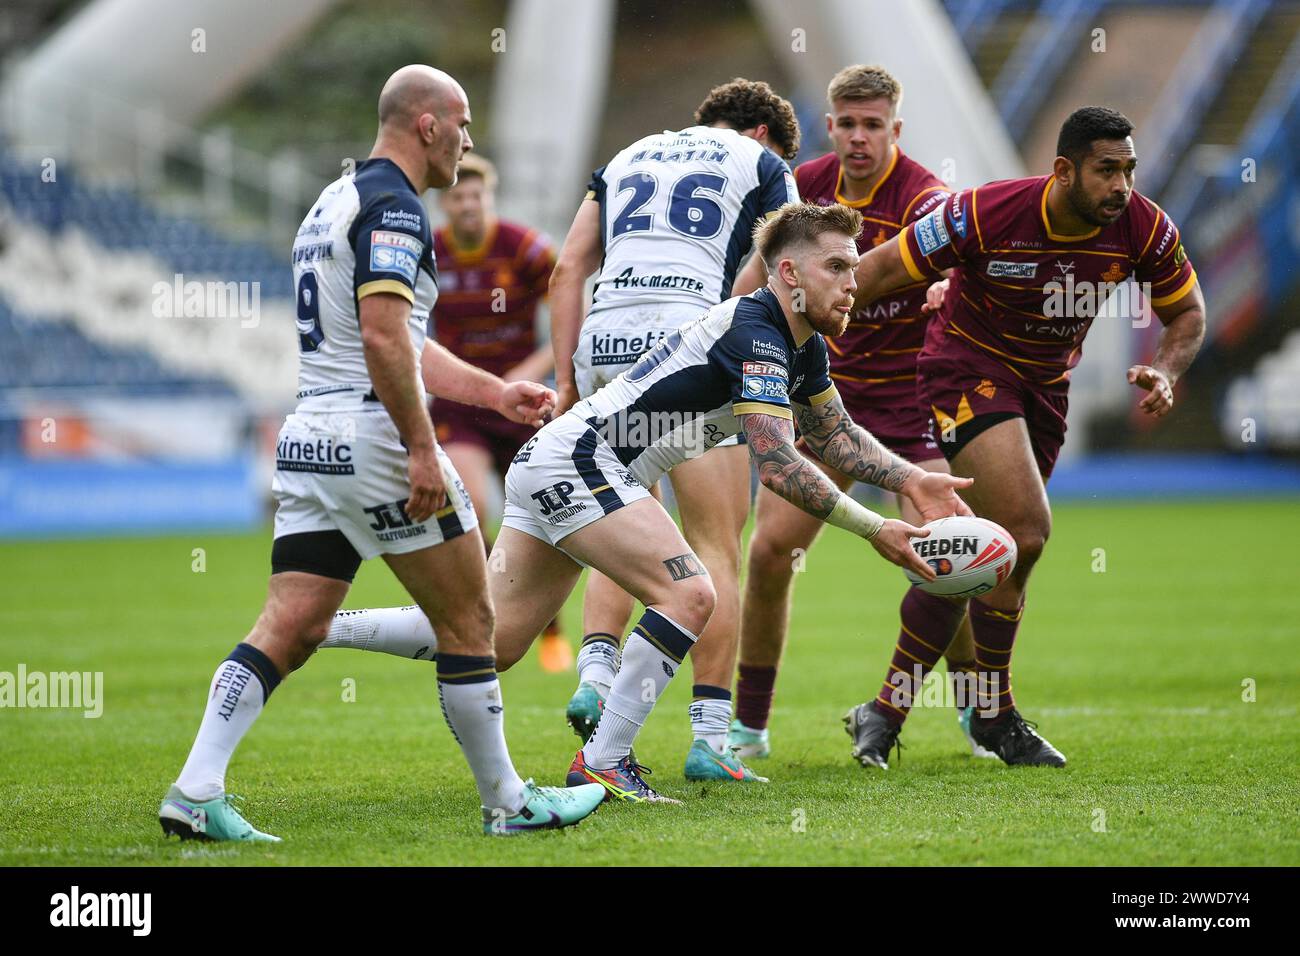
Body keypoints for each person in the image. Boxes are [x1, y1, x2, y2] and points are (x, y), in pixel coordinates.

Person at [157, 65, 604, 841]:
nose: (469, 142)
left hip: (309, 439)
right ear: (426, 124)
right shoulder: (394, 206)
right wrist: (423, 446)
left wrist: (494, 394)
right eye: (462, 123)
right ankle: (508, 805)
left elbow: (402, 337)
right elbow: (382, 337)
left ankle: (194, 790)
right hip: (372, 439)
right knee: (472, 620)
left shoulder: (333, 202)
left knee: (289, 624)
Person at [489, 201, 972, 802]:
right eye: (838, 267)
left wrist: (911, 482)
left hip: (566, 459)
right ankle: (603, 762)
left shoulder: (800, 344)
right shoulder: (758, 336)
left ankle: (332, 627)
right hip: (583, 458)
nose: (854, 284)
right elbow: (777, 464)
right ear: (790, 274)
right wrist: (877, 528)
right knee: (691, 592)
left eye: (854, 269)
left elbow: (834, 437)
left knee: (490, 642)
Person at [841, 106, 1206, 768]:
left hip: (1045, 393)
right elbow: (883, 271)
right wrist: (795, 327)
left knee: (987, 555)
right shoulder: (987, 212)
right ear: (1063, 170)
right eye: (1106, 171)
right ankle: (995, 716)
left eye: (1129, 170)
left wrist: (1167, 368)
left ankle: (887, 708)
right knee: (1026, 529)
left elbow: (1187, 313)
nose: (1121, 186)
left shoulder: (1144, 227)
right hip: (964, 370)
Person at [729, 64, 991, 766]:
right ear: (830, 126)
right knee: (769, 551)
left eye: (873, 124)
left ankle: (974, 710)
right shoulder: (802, 191)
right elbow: (753, 283)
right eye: (846, 123)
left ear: (894, 130)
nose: (858, 137)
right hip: (824, 407)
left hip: (911, 407)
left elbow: (963, 266)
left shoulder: (925, 198)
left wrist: (948, 293)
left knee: (955, 554)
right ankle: (747, 725)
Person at [428, 152, 571, 673]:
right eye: (458, 197)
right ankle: (485, 614)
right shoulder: (429, 253)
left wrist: (528, 369)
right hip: (461, 403)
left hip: (523, 399)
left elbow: (569, 309)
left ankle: (548, 626)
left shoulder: (523, 248)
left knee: (544, 515)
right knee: (468, 508)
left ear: (489, 199)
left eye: (477, 197)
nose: (468, 205)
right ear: (445, 203)